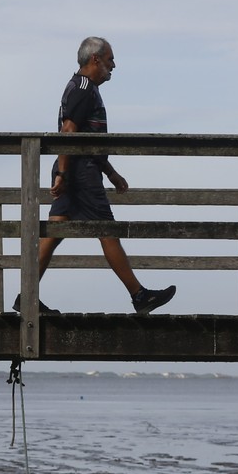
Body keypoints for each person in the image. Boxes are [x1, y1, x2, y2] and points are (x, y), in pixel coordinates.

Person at [16, 36, 176, 316]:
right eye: (110, 60)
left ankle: (25, 297)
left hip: (77, 169)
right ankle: (139, 296)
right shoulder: (83, 88)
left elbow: (88, 139)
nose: (113, 66)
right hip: (80, 173)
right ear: (95, 60)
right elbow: (68, 132)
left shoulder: (85, 88)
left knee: (52, 234)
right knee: (107, 230)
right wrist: (64, 173)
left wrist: (111, 173)